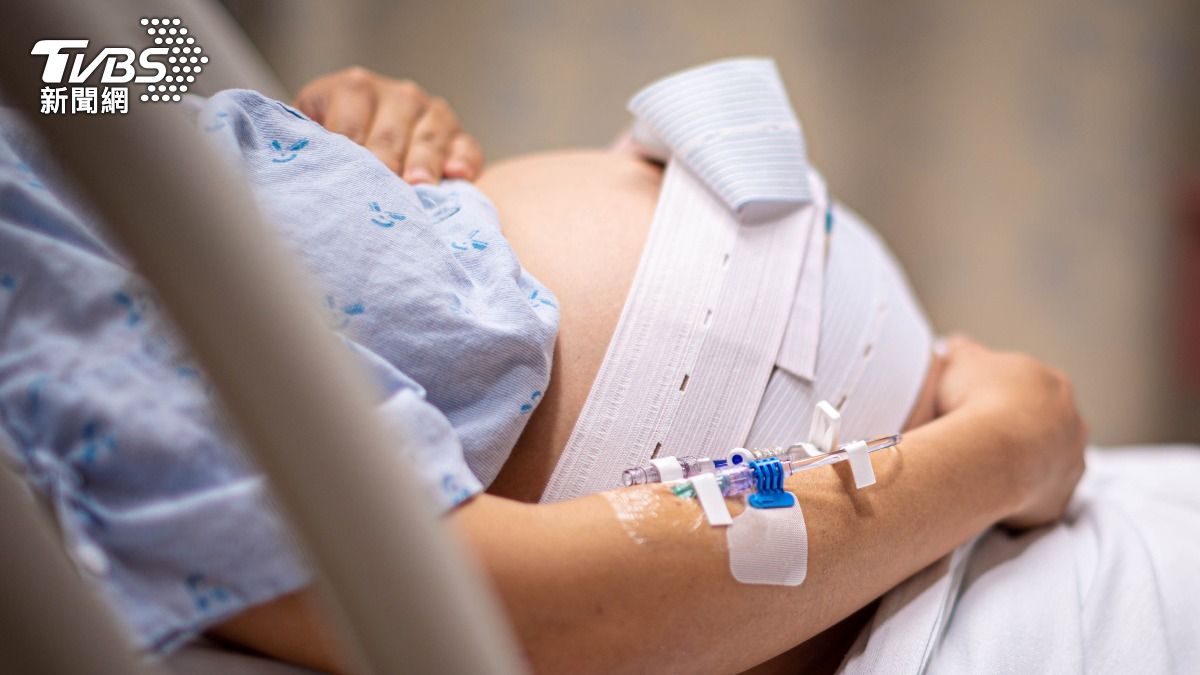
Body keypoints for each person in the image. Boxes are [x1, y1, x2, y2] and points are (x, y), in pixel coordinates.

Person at [0, 65, 1187, 675]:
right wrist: (993, 455)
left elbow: (101, 60)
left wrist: (294, 123)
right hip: (844, 547)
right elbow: (490, 611)